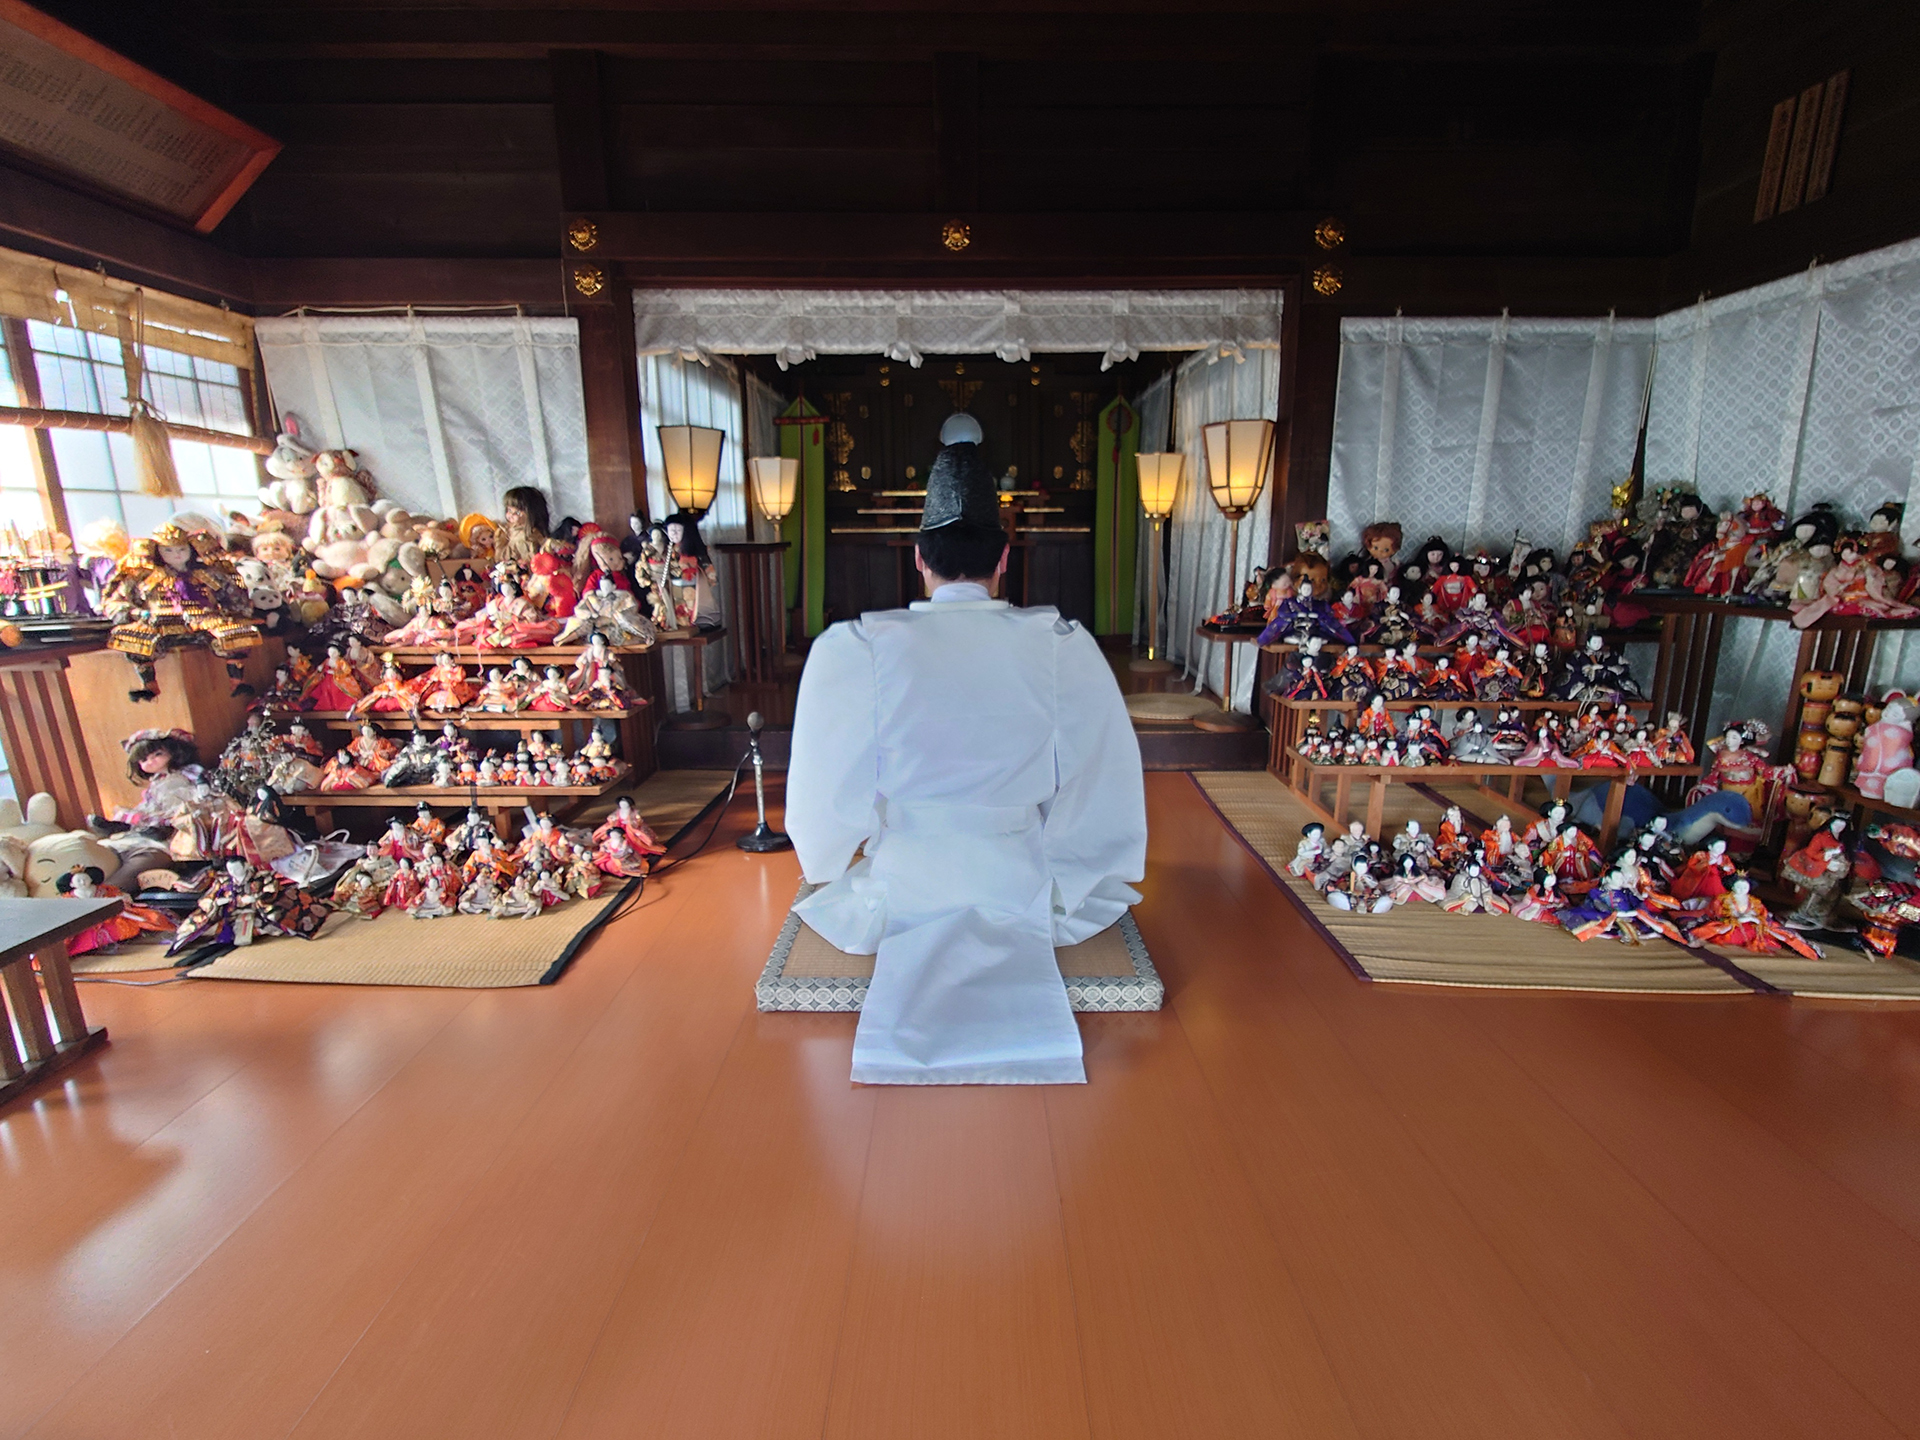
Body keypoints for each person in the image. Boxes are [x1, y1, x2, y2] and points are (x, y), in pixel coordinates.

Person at [786, 413, 1146, 1085]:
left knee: (864, 896)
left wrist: (832, 857)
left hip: (907, 873)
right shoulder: (1060, 644)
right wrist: (1075, 859)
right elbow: (1103, 775)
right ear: (1005, 558)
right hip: (1016, 870)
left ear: (917, 558)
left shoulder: (857, 646)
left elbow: (821, 787)